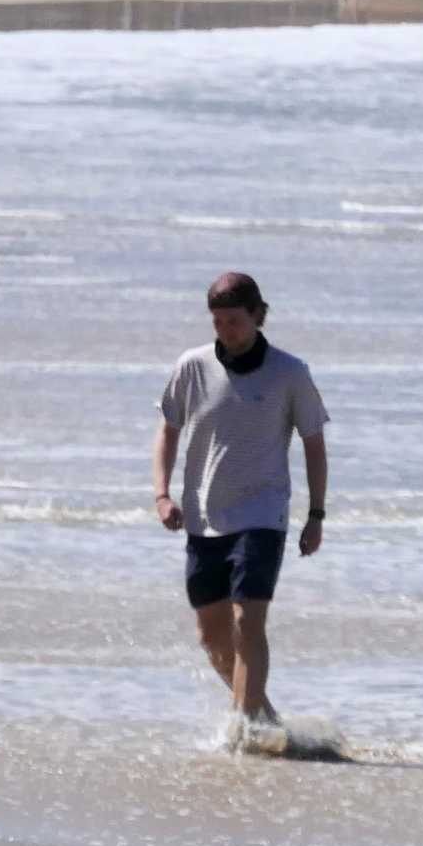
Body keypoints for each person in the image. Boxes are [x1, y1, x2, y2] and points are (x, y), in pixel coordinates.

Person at [152, 272, 329, 743]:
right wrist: (162, 494)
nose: (225, 330)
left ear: (257, 315)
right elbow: (168, 430)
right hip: (204, 517)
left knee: (247, 621)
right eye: (217, 321)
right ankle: (263, 717)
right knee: (212, 638)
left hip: (263, 515)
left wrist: (316, 515)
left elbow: (314, 442)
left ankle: (243, 732)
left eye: (234, 320)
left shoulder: (290, 372)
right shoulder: (192, 366)